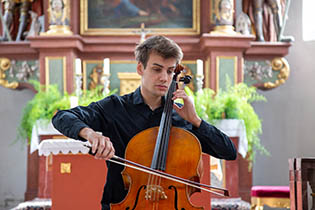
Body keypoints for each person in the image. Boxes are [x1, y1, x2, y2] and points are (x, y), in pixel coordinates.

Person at [52, 35, 237, 210]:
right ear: (140, 68)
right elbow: (62, 117)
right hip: (123, 205)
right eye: (157, 69)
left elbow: (228, 151)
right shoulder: (115, 107)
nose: (164, 78)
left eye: (170, 71)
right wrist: (90, 134)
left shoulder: (183, 117)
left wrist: (196, 121)